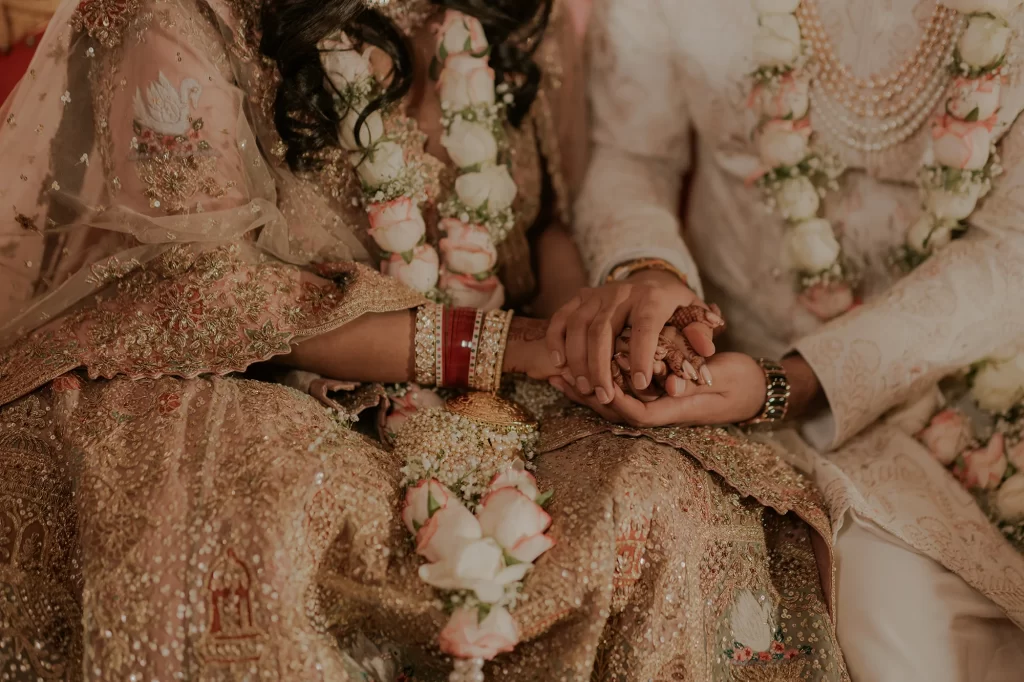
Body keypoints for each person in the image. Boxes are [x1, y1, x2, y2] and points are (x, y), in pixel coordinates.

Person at [0, 0, 847, 679]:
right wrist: (518, 344)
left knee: (659, 488)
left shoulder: (513, 15)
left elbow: (543, 218)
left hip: (506, 372)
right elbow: (210, 289)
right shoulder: (175, 15)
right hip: (263, 375)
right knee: (258, 503)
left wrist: (604, 344)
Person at [562, 0, 1024, 680]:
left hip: (965, 374)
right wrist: (651, 274)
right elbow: (631, 158)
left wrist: (797, 382)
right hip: (723, 367)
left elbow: (1011, 251)